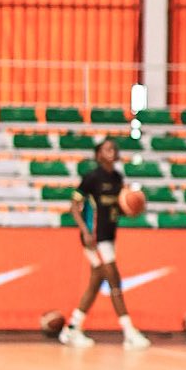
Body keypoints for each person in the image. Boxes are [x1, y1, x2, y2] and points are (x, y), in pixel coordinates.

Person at [60, 137, 151, 349]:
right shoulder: (92, 178)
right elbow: (74, 206)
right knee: (114, 281)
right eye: (106, 148)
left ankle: (72, 328)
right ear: (98, 154)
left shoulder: (118, 178)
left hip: (109, 237)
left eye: (113, 148)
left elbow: (117, 208)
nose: (111, 151)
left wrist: (132, 208)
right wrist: (85, 231)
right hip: (95, 237)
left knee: (95, 283)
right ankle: (129, 332)